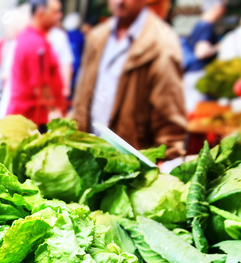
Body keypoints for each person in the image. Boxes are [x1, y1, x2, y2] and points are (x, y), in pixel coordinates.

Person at [73, 0, 186, 159]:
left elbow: (169, 119)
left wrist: (165, 160)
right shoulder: (97, 37)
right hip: (89, 155)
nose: (119, 1)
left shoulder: (161, 43)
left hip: (132, 165)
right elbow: (81, 96)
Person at [6, 0, 67, 129]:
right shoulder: (35, 43)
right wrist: (56, 113)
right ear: (40, 13)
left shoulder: (31, 37)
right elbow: (41, 87)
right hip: (32, 120)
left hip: (27, 119)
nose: (59, 16)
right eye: (55, 12)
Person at [182, 0, 225, 112]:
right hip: (198, 75)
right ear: (216, 8)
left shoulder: (200, 24)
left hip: (192, 74)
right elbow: (201, 52)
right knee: (192, 110)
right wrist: (218, 47)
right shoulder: (206, 26)